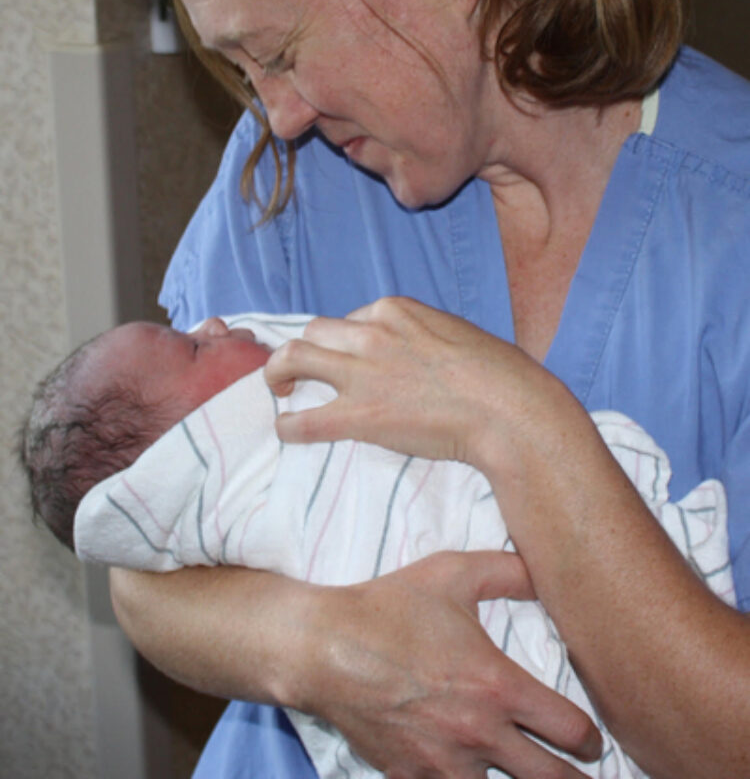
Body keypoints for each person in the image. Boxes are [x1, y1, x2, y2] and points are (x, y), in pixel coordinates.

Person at [110, 0, 750, 776]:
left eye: (278, 52)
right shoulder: (291, 183)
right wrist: (322, 651)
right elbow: (144, 555)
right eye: (243, 73)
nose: (274, 114)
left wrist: (520, 426)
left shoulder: (729, 220)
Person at [20, 312, 735, 779]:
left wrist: (523, 424)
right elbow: (132, 574)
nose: (213, 320)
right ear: (186, 450)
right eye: (193, 345)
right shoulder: (254, 452)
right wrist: (319, 644)